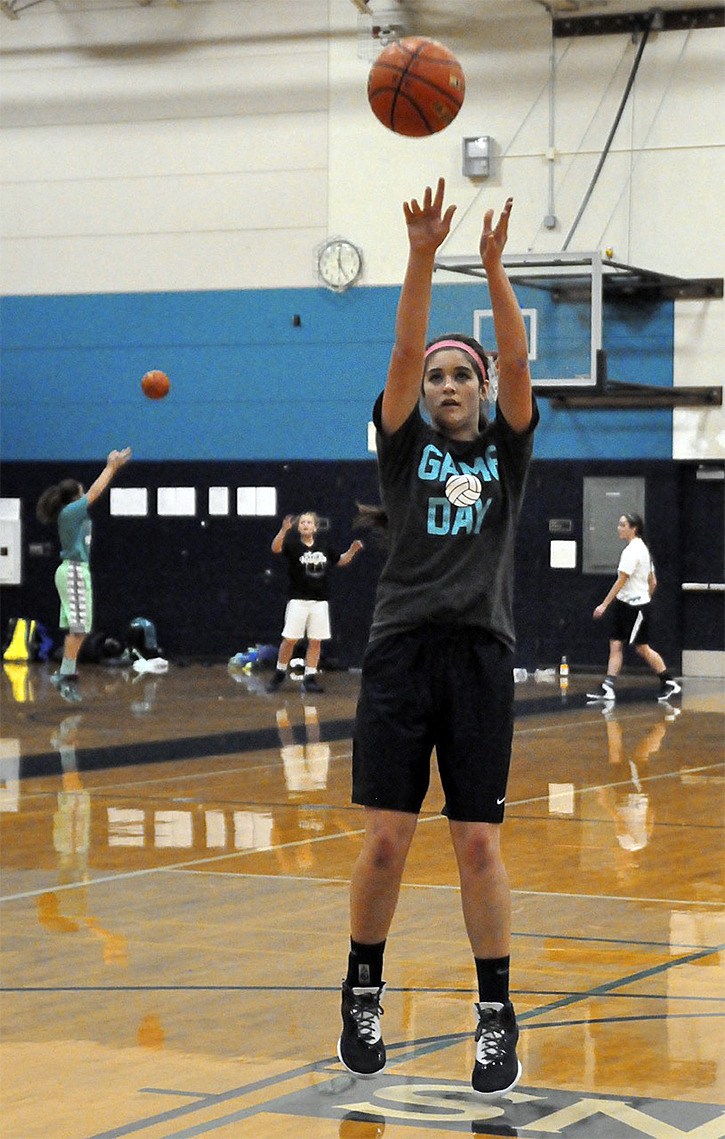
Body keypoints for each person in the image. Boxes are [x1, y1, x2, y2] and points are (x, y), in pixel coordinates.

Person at [337, 179, 538, 1100]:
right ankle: (362, 989)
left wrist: (493, 266)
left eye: (465, 375)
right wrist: (420, 254)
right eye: (437, 376)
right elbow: (406, 342)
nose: (448, 383)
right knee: (385, 842)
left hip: (479, 658)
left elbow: (516, 355)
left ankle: (495, 1018)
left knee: (476, 846)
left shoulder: (506, 448)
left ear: (484, 389)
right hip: (400, 652)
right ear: (421, 391)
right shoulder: (399, 445)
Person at [36, 448, 132, 703]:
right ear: (75, 496)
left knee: (75, 628)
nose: (84, 491)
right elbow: (95, 492)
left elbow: (90, 493)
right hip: (74, 571)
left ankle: (67, 671)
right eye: (81, 489)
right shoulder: (70, 512)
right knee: (80, 627)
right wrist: (112, 467)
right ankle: (66, 674)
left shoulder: (72, 515)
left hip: (74, 571)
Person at [587, 512, 681, 703]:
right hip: (625, 605)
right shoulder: (643, 549)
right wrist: (645, 596)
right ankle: (608, 687)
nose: (619, 528)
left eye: (623, 525)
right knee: (615, 644)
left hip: (635, 607)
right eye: (619, 524)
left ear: (633, 528)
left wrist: (604, 605)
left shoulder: (632, 552)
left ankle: (668, 682)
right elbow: (653, 582)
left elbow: (620, 581)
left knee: (642, 648)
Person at [266, 512, 363, 694]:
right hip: (298, 599)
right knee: (290, 639)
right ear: (298, 527)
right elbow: (276, 548)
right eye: (302, 522)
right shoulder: (293, 545)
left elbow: (340, 561)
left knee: (315, 641)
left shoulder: (324, 547)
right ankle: (279, 673)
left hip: (319, 601)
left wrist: (352, 550)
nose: (305, 525)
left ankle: (309, 677)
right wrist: (283, 530)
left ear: (315, 527)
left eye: (309, 522)